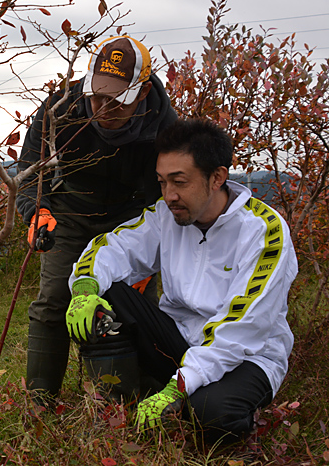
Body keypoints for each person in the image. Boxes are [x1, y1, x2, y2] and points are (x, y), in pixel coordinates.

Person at [65, 119, 298, 443]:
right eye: (162, 182)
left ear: (216, 177)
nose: (169, 195)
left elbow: (241, 328)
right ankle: (117, 411)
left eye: (179, 182)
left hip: (246, 355)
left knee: (209, 413)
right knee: (105, 292)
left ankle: (221, 416)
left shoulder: (263, 231)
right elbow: (112, 248)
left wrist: (180, 385)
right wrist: (84, 288)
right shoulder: (166, 216)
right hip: (179, 339)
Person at [17, 35, 178, 403]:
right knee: (54, 299)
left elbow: (165, 199)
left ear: (140, 94)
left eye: (116, 100)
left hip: (131, 218)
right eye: (97, 95)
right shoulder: (61, 107)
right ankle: (41, 403)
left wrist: (149, 263)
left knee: (136, 306)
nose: (103, 107)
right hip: (70, 210)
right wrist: (36, 211)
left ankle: (141, 397)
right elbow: (28, 169)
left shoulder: (165, 127)